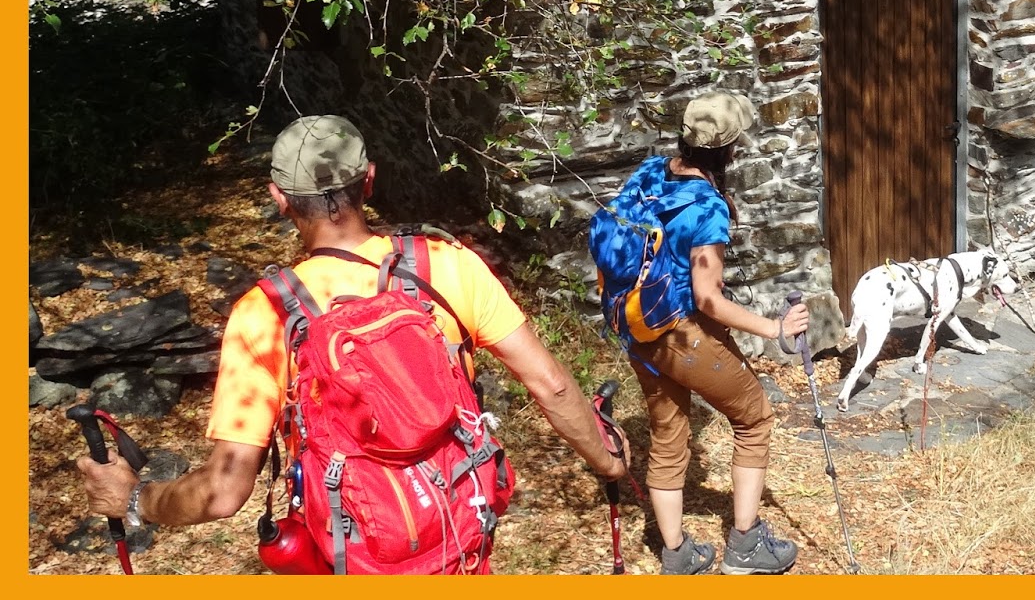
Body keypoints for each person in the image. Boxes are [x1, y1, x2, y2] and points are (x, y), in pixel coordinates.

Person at [77, 114, 628, 572]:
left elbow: (223, 493)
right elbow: (551, 385)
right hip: (457, 526)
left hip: (356, 547)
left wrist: (134, 499)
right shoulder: (447, 266)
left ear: (278, 198)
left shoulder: (264, 315)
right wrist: (608, 462)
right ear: (369, 179)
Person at [618, 90, 810, 575]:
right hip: (683, 334)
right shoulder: (707, 205)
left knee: (667, 438)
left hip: (638, 329)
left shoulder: (649, 175)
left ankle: (677, 555)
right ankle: (745, 548)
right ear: (731, 148)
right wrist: (776, 328)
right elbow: (708, 299)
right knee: (755, 419)